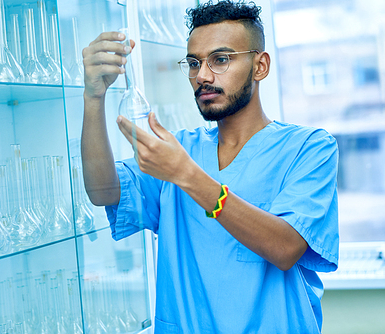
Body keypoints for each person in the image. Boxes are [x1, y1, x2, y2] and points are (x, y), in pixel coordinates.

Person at [81, 0, 339, 333]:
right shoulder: (181, 149)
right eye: (193, 63)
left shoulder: (309, 148)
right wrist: (93, 96)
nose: (202, 76)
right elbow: (103, 191)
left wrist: (187, 176)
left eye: (220, 60)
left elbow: (286, 248)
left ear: (259, 66)